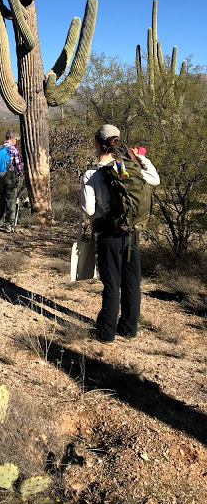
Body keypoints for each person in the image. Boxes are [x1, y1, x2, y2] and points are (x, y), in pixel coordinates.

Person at [81, 125, 160, 345]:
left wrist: (101, 218)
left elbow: (88, 209)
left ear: (97, 143)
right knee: (132, 283)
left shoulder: (91, 175)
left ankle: (106, 333)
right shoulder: (128, 169)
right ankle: (128, 329)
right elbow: (154, 179)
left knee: (112, 284)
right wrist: (141, 159)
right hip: (132, 235)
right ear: (116, 144)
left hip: (109, 237)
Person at [0, 129, 24, 233]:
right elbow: (17, 164)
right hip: (10, 176)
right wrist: (20, 173)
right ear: (12, 139)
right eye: (16, 139)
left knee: (2, 198)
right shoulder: (13, 149)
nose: (16, 141)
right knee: (11, 200)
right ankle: (9, 225)